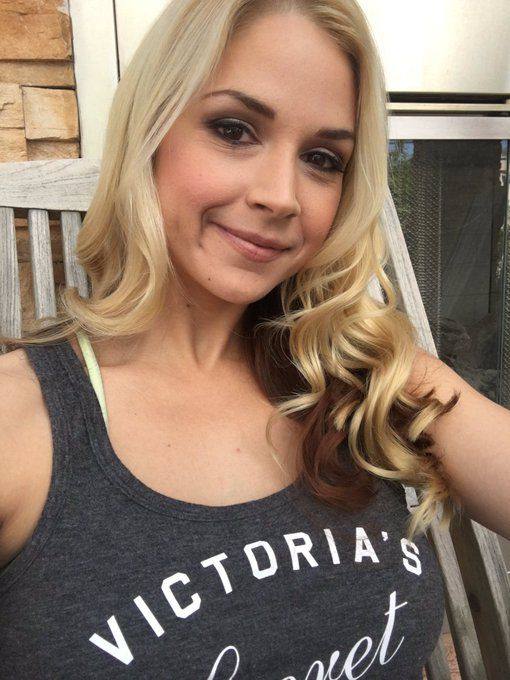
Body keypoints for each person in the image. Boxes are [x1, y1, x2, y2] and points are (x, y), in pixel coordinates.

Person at [0, 0, 508, 678]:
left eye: (322, 159)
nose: (281, 196)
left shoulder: (365, 372)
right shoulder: (22, 429)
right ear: (151, 131)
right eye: (234, 129)